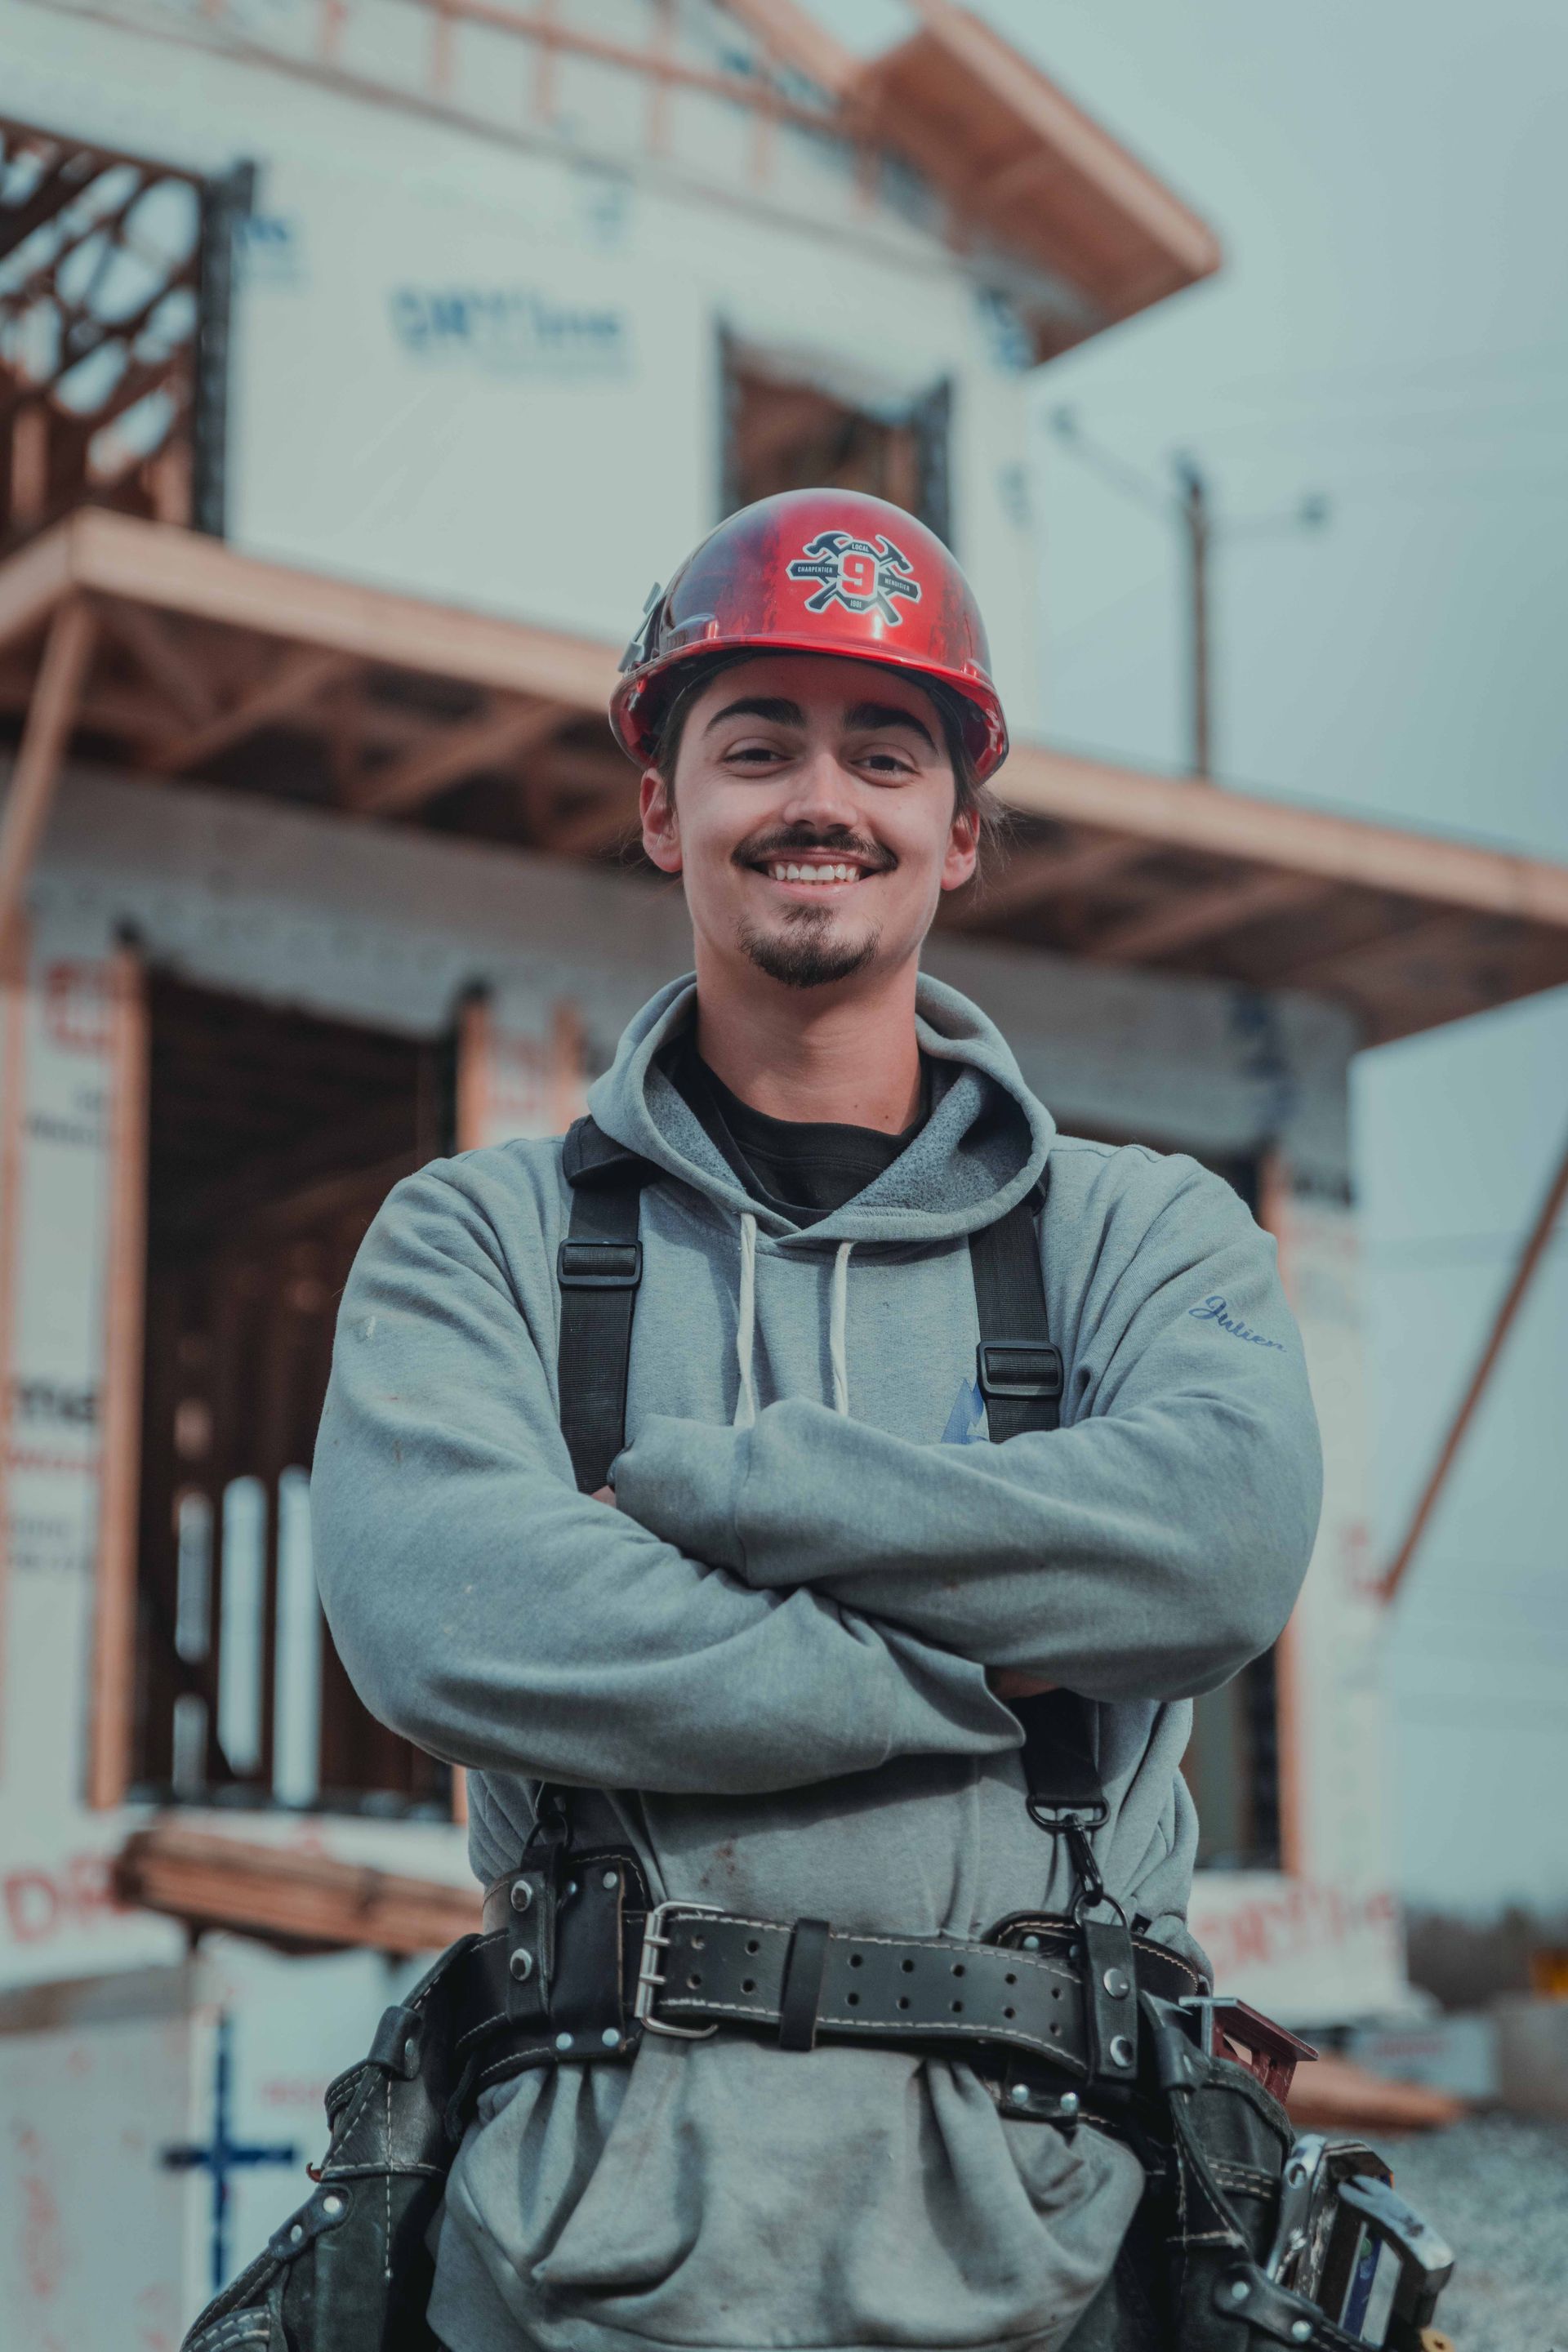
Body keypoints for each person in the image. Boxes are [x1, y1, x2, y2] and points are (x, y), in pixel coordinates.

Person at [312, 488, 1322, 2352]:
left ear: (959, 828)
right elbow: (445, 1614)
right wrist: (986, 1662)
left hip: (1068, 2246)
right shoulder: (483, 1238)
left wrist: (723, 1494)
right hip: (572, 2259)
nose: (819, 798)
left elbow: (1221, 1545)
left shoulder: (1142, 1234)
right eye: (754, 742)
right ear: (660, 807)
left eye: (884, 749)